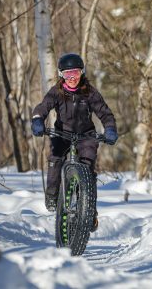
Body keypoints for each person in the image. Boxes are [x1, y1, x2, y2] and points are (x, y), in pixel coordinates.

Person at [31, 53, 118, 231]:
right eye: (68, 74)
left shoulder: (90, 92)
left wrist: (109, 129)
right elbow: (42, 107)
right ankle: (52, 196)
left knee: (87, 169)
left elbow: (105, 113)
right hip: (62, 134)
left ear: (82, 73)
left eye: (76, 74)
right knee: (55, 161)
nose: (72, 78)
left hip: (86, 136)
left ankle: (90, 210)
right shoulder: (56, 92)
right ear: (61, 75)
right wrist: (38, 121)